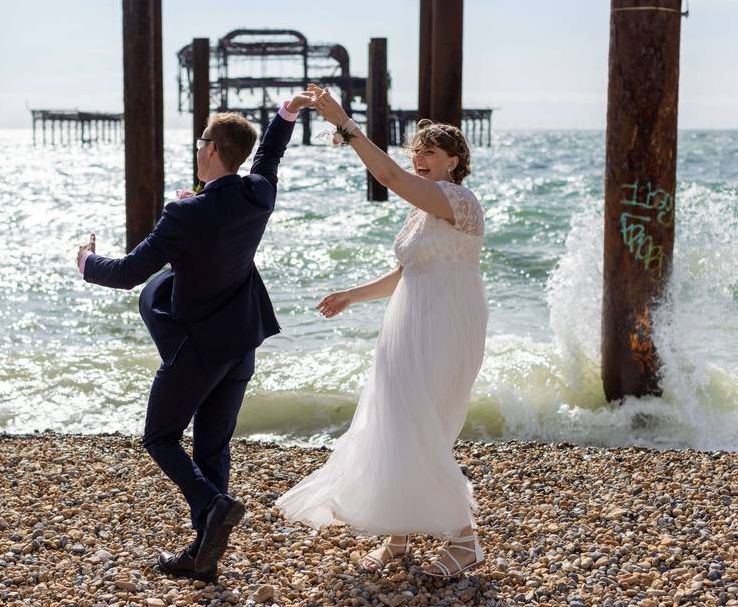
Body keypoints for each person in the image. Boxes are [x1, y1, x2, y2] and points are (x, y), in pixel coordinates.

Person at [76, 92, 309, 581]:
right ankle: (204, 556)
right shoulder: (258, 194)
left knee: (159, 437)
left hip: (198, 349)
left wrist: (86, 262)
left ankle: (212, 502)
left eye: (202, 140)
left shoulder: (183, 215)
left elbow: (128, 272)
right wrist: (285, 117)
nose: (197, 147)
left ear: (210, 150)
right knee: (212, 448)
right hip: (241, 342)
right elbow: (269, 157)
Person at [276, 85, 489, 579]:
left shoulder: (458, 200)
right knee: (396, 419)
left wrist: (345, 124)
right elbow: (408, 273)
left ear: (454, 161)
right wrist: (352, 295)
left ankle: (464, 539)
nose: (418, 159)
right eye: (416, 152)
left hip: (446, 320)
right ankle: (398, 535)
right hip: (408, 318)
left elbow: (387, 174)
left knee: (422, 423)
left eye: (429, 152)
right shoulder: (424, 208)